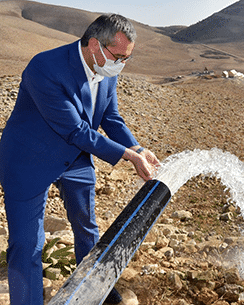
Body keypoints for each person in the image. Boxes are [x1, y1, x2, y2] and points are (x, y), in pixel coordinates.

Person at [0, 14, 159, 304]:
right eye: (118, 56)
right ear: (95, 44)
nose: (121, 64)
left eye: (126, 58)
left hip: (74, 159)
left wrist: (137, 148)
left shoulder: (108, 69)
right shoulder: (45, 67)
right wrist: (126, 156)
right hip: (29, 159)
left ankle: (95, 291)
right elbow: (75, 130)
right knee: (27, 245)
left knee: (87, 227)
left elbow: (111, 118)